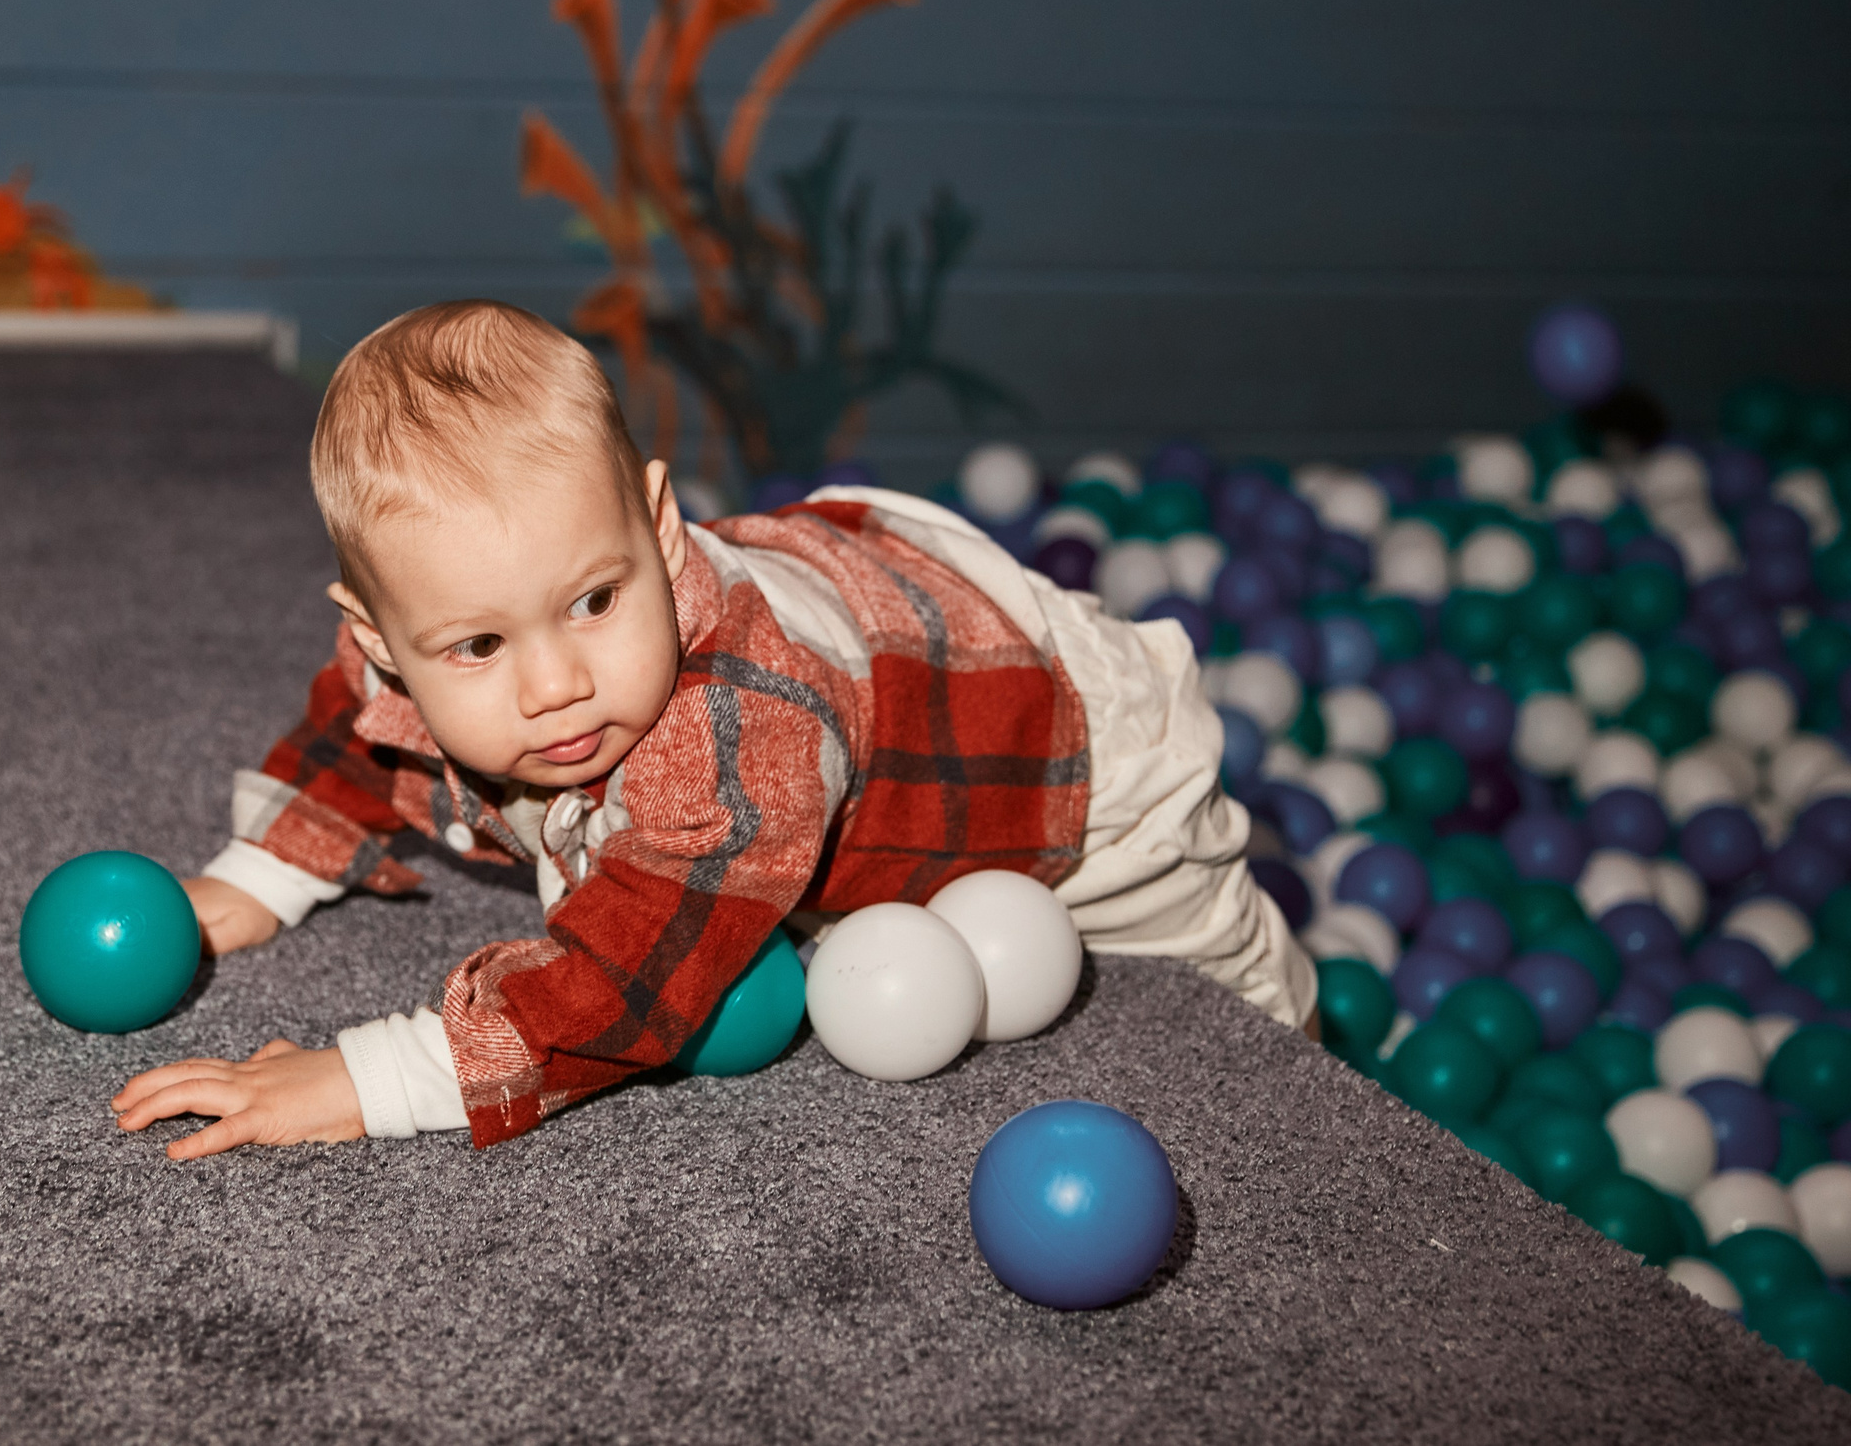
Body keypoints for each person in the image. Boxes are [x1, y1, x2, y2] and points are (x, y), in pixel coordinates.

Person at [112, 301, 1314, 1157]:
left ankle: (1310, 1038)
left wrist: (364, 1078)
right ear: (382, 636)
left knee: (1229, 983)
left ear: (660, 525)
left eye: (595, 599)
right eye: (478, 646)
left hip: (1053, 742)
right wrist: (263, 872)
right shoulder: (413, 656)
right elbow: (354, 734)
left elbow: (622, 988)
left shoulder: (738, 734)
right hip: (863, 601)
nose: (555, 687)